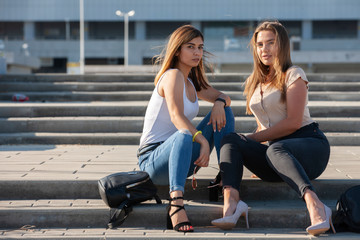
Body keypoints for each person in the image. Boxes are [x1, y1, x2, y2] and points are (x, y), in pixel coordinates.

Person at [211, 20, 336, 236]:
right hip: (277, 155)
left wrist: (250, 140)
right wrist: (249, 152)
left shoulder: (294, 74)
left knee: (271, 148)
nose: (264, 49)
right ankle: (232, 204)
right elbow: (263, 124)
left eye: (271, 43)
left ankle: (316, 205)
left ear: (283, 45)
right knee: (231, 139)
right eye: (260, 44)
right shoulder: (255, 82)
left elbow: (293, 123)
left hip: (310, 147)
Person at [137, 25, 234, 232]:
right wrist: (202, 140)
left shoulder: (192, 82)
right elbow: (176, 116)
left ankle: (227, 180)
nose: (197, 52)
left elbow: (225, 97)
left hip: (181, 158)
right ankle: (176, 204)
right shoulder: (172, 76)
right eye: (190, 47)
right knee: (182, 134)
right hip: (153, 161)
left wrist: (218, 104)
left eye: (200, 47)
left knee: (225, 112)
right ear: (177, 50)